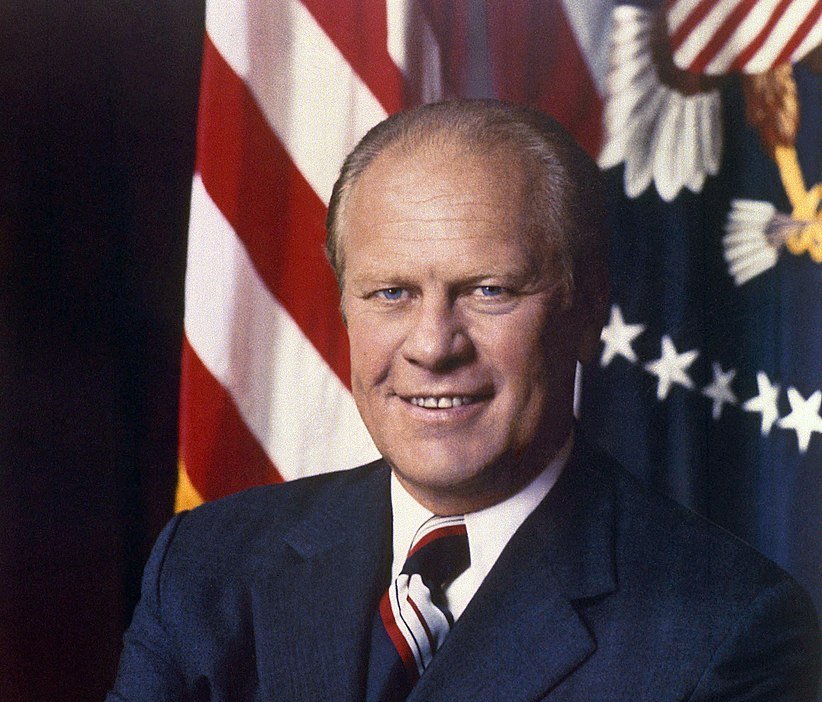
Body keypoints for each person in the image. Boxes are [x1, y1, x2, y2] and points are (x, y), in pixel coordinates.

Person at [107, 100, 819, 701]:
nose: (433, 346)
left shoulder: (726, 630)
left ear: (587, 309)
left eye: (489, 291)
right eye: (391, 293)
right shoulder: (206, 566)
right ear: (345, 306)